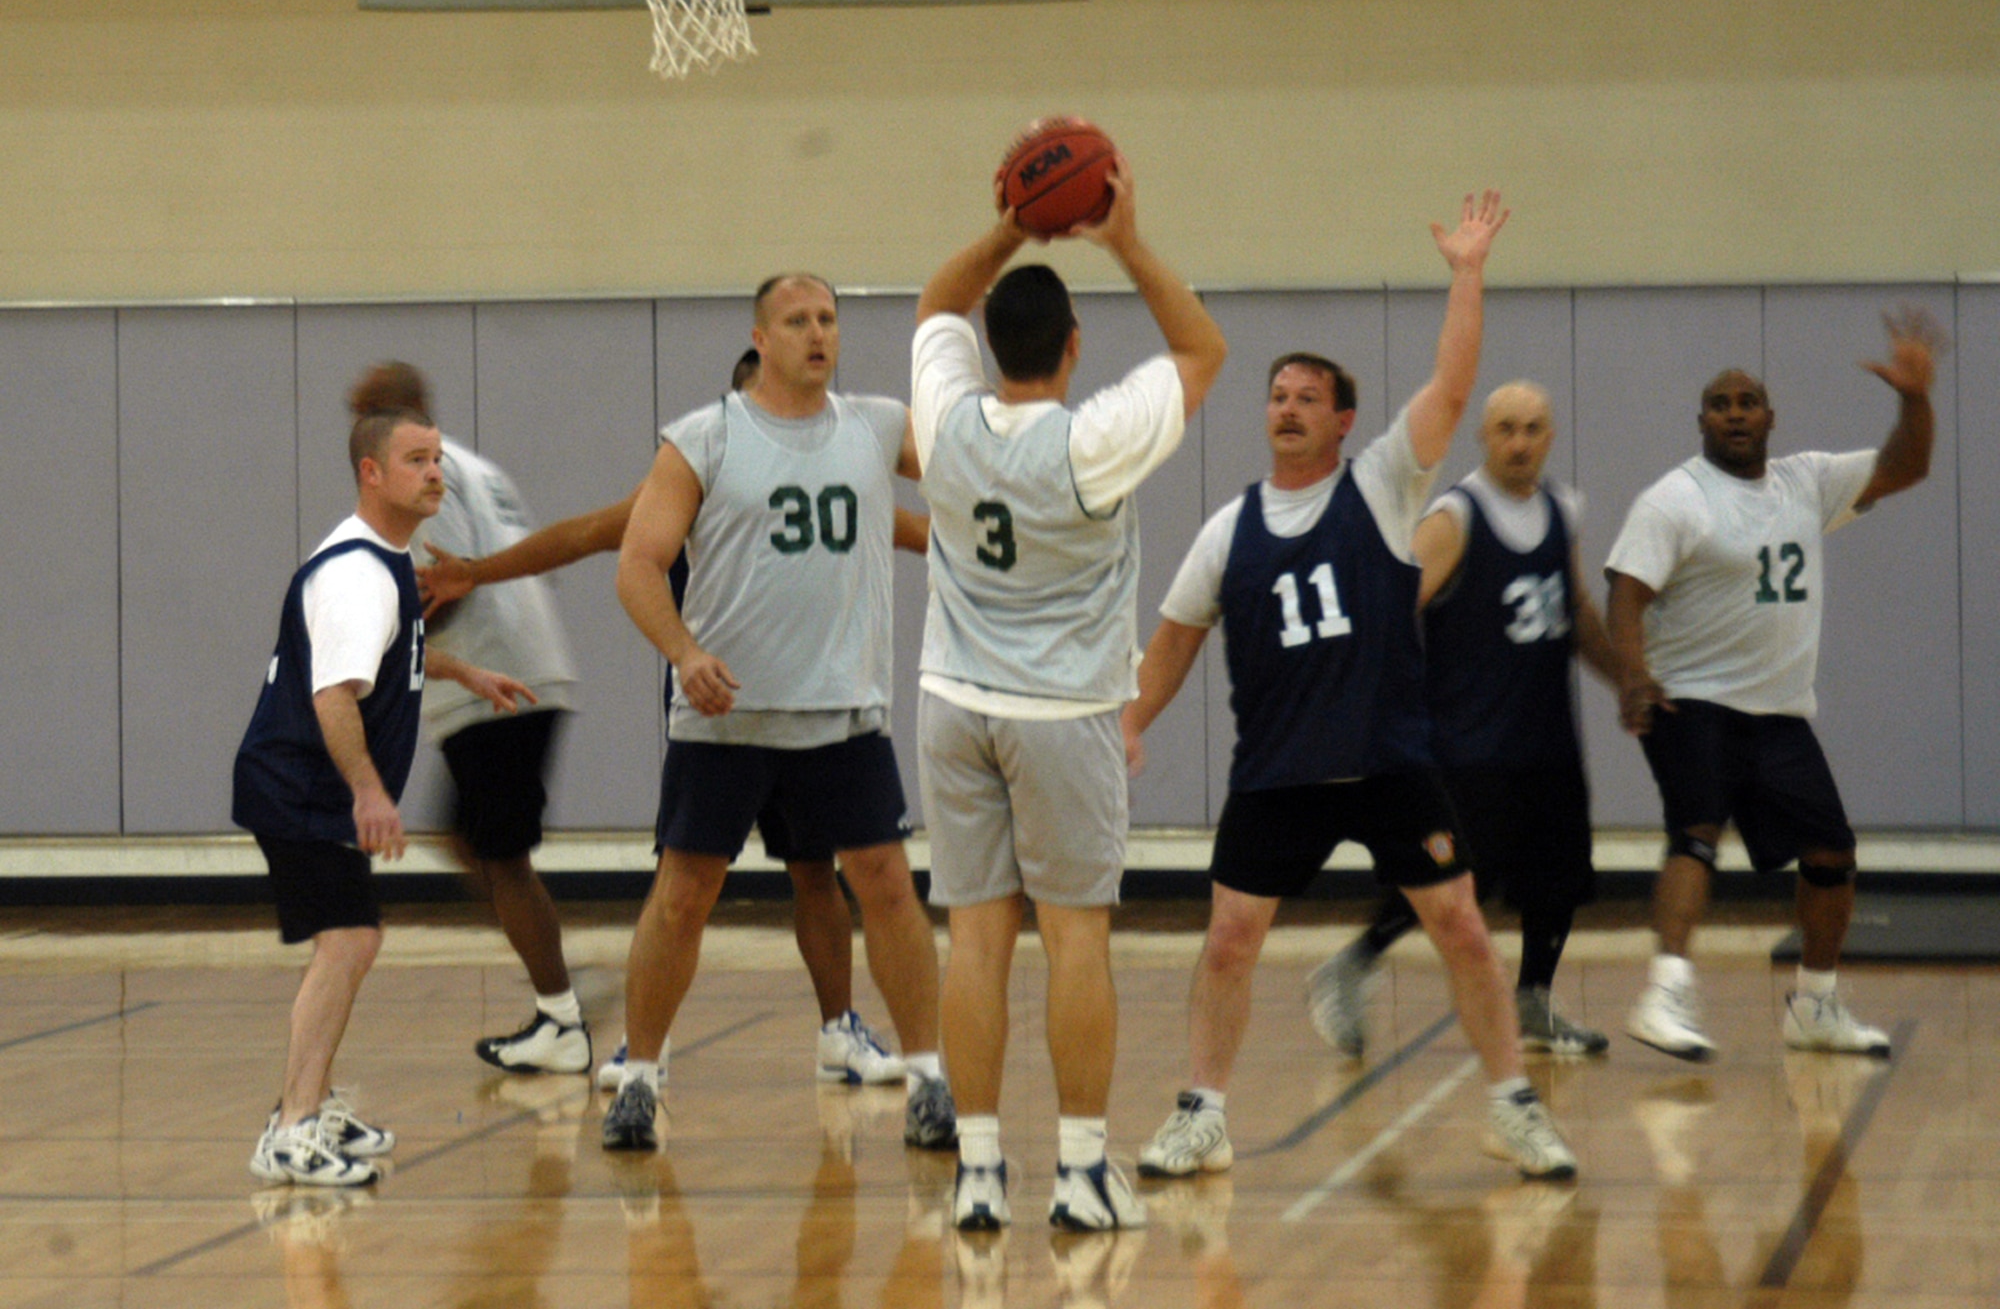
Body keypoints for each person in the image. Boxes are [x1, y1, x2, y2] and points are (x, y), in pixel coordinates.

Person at [1124, 193, 1579, 1186]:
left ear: (1341, 419)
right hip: (1277, 772)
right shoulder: (1225, 529)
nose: (1282, 405)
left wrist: (1465, 271)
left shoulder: (1379, 486)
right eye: (1273, 393)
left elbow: (1452, 392)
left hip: (1386, 763)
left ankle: (1510, 1106)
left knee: (1458, 925)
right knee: (1230, 941)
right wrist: (1126, 722)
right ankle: (1202, 1113)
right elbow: (1167, 646)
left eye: (1302, 395)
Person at [417, 348, 918, 1093]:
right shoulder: (699, 467)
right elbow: (587, 533)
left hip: (817, 702)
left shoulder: (838, 470)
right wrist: (477, 571)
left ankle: (839, 1028)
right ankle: (645, 1048)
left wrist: (1022, 551)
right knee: (682, 889)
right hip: (716, 707)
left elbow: (921, 529)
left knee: (819, 871)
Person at [913, 159, 1227, 1234]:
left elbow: (933, 305)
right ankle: (1083, 1170)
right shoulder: (1094, 442)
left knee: (973, 941)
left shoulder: (946, 418)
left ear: (986, 344)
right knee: (1076, 938)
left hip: (952, 703)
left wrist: (1006, 228)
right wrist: (1120, 237)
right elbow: (1200, 350)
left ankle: (977, 1169)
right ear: (1074, 348)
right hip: (1063, 717)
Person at [601, 275, 953, 1154]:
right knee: (682, 897)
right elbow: (637, 566)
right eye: (797, 320)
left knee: (888, 889)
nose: (817, 333)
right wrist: (684, 651)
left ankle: (932, 1077)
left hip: (842, 712)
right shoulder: (704, 437)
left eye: (828, 318)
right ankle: (639, 1079)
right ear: (760, 336)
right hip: (725, 717)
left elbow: (971, 474)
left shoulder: (876, 425)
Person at [1608, 310, 1941, 1062]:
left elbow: (1907, 466)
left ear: (1769, 418)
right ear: (1701, 420)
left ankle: (1815, 1004)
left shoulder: (1806, 481)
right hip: (1691, 699)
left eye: (1747, 401)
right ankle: (1665, 992)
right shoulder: (1675, 498)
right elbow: (1625, 591)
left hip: (1780, 713)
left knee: (1832, 854)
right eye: (1720, 404)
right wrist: (1635, 674)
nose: (1734, 413)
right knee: (1695, 835)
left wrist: (1915, 397)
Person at [234, 402, 535, 1186]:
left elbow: (386, 652)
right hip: (300, 787)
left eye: (437, 458)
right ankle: (292, 1128)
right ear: (371, 473)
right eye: (414, 460)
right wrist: (369, 792)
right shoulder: (359, 573)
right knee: (350, 940)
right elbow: (335, 694)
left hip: (308, 788)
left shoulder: (386, 560)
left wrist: (463, 670)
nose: (435, 472)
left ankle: (305, 1105)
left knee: (350, 940)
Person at [1305, 380, 1622, 1061]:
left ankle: (1535, 998)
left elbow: (1579, 614)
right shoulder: (1458, 516)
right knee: (1453, 882)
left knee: (1557, 875)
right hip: (1468, 742)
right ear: (1483, 435)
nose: (1518, 441)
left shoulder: (1564, 509)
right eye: (1505, 427)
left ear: (1550, 434)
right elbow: (1392, 606)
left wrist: (1628, 678)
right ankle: (1353, 962)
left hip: (1547, 735)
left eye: (1532, 428)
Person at [347, 362, 593, 1077]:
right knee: (465, 839)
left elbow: (440, 591)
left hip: (495, 681)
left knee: (501, 859)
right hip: (526, 666)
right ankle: (557, 980)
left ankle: (561, 1012)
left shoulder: (422, 474)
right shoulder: (478, 467)